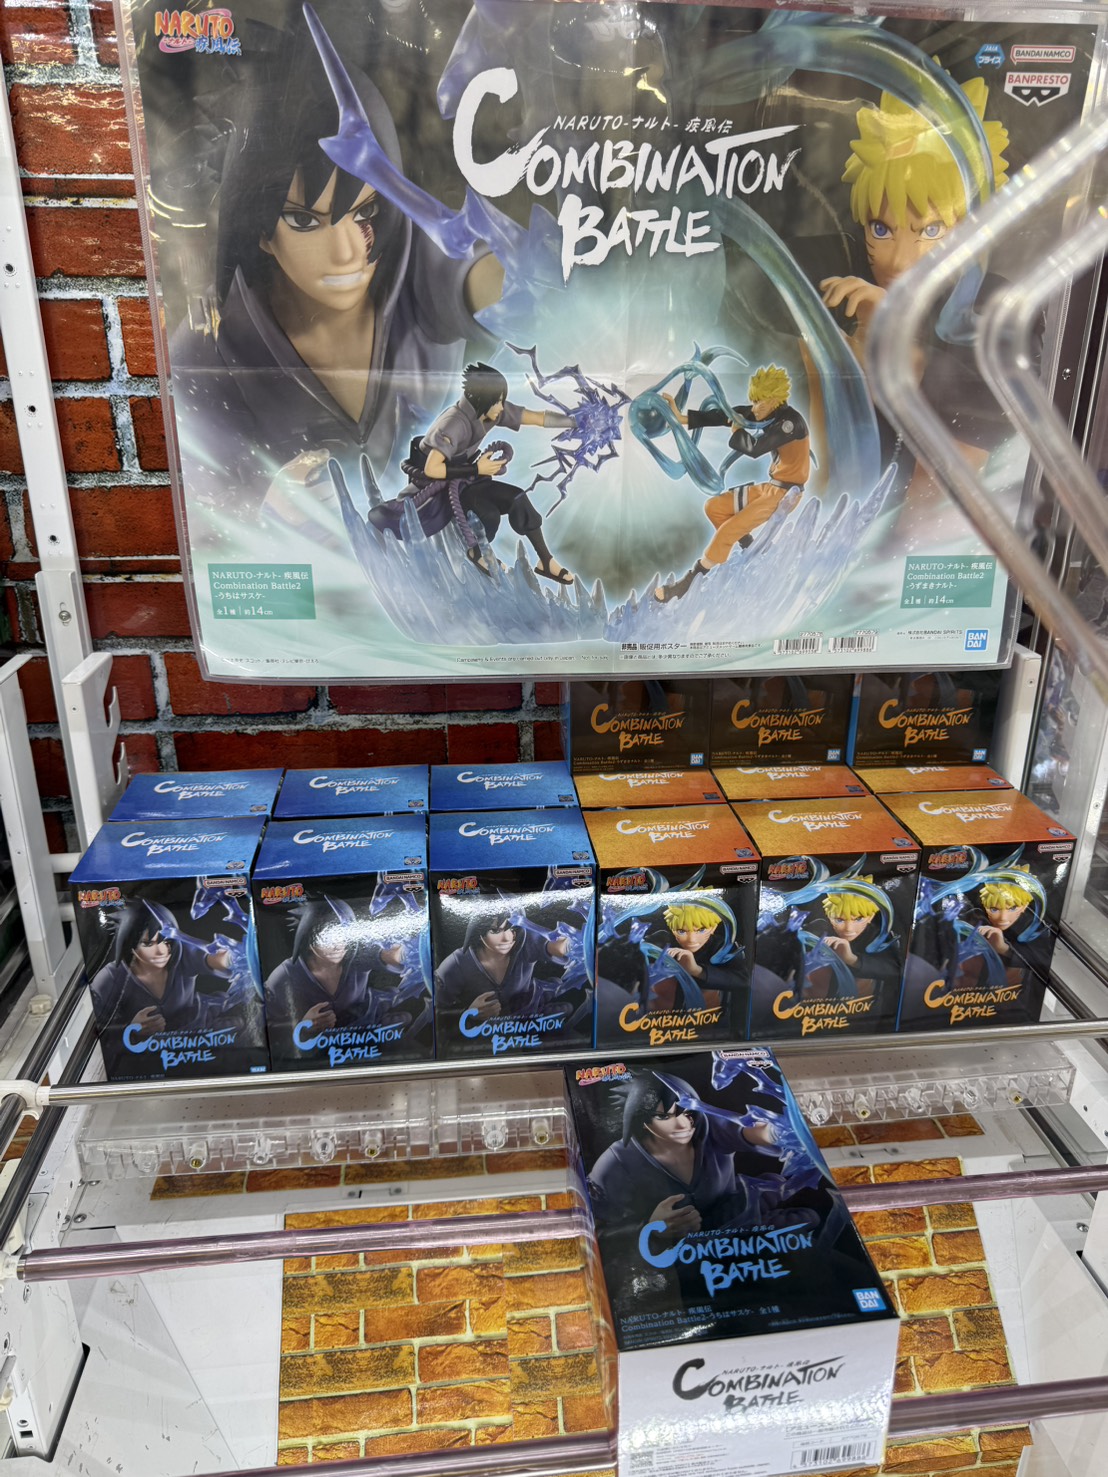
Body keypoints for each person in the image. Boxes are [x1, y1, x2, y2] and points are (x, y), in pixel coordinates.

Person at [171, 19, 506, 527]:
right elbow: (198, 523)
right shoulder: (209, 351)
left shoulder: (420, 266)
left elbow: (489, 280)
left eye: (366, 212)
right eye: (305, 221)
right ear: (258, 226)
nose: (349, 252)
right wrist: (264, 510)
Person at [817, 82, 1010, 538]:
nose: (898, 261)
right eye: (881, 230)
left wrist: (895, 345)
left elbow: (940, 498)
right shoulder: (842, 280)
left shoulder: (989, 311)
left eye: (930, 230)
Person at [370, 363, 576, 581]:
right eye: (498, 401)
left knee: (518, 498)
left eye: (502, 400)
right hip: (439, 484)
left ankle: (546, 561)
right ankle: (477, 553)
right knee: (488, 514)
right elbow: (432, 468)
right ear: (481, 399)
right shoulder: (454, 423)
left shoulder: (491, 411)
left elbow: (535, 417)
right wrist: (477, 468)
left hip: (466, 478)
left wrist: (573, 421)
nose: (501, 407)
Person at [654, 365, 809, 602]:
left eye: (760, 402)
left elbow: (754, 449)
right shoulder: (767, 412)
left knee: (727, 531)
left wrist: (736, 430)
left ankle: (687, 585)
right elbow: (726, 415)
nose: (754, 408)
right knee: (714, 507)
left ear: (775, 399)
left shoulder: (791, 423)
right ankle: (753, 552)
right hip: (771, 487)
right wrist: (682, 418)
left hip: (786, 494)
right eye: (754, 402)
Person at [90, 901, 235, 1071]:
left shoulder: (180, 953)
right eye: (148, 944)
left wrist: (228, 958)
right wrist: (131, 1029)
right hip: (145, 1057)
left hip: (197, 1034)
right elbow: (98, 1033)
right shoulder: (110, 978)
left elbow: (209, 958)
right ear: (130, 945)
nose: (161, 951)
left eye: (166, 941)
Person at [263, 899, 409, 1058]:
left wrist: (403, 953)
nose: (339, 945)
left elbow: (386, 954)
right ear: (308, 936)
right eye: (327, 937)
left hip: (365, 1043)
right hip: (315, 1057)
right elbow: (264, 1031)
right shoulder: (284, 976)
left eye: (343, 934)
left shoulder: (356, 957)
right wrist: (303, 1027)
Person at [434, 910, 572, 1027]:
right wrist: (468, 1013)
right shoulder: (457, 963)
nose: (507, 938)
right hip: (480, 1036)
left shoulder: (524, 943)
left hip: (523, 1019)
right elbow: (434, 1012)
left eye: (512, 930)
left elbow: (553, 945)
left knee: (558, 997)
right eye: (495, 931)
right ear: (479, 932)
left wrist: (570, 943)